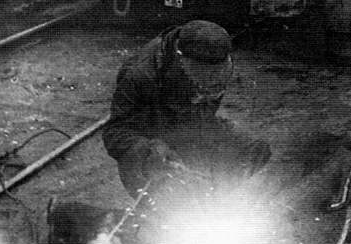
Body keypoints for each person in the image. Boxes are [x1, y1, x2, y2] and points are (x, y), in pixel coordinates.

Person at [103, 20, 271, 197]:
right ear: (180, 58)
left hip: (188, 127)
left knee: (253, 150)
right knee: (169, 199)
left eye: (215, 76)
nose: (209, 85)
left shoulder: (217, 70)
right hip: (151, 141)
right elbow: (115, 132)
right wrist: (149, 150)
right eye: (202, 77)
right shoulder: (140, 75)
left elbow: (205, 115)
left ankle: (214, 197)